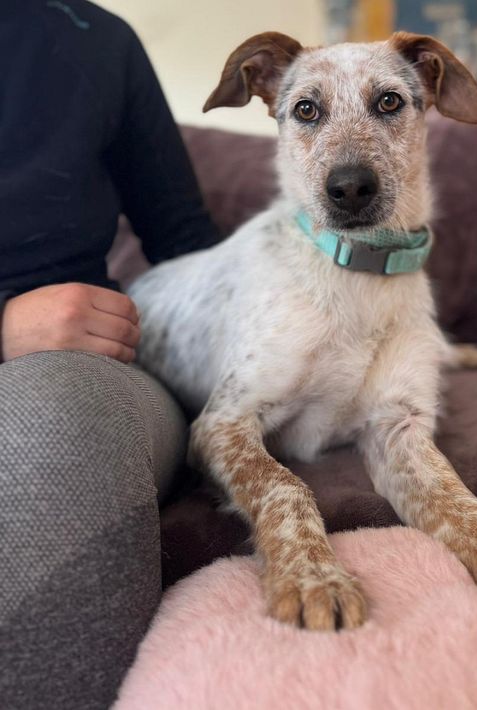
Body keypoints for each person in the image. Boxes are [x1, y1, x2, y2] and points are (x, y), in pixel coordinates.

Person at [0, 1, 220, 708]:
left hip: (73, 377)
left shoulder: (99, 41)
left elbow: (186, 245)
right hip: (26, 349)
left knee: (57, 427)